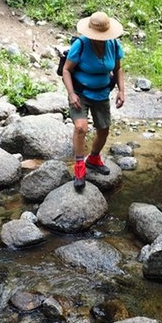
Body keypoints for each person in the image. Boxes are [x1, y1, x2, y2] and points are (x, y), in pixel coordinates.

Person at [61, 11, 125, 190]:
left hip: (102, 93)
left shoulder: (113, 44)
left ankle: (94, 158)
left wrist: (122, 90)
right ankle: (80, 166)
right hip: (80, 93)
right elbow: (66, 70)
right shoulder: (81, 44)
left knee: (103, 130)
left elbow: (118, 69)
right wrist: (71, 94)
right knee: (81, 127)